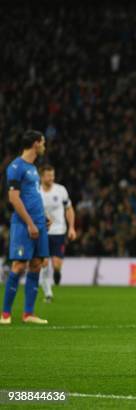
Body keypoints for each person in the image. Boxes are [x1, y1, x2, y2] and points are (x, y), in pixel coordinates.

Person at [1, 130, 49, 325]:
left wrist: (43, 217)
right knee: (19, 265)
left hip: (39, 223)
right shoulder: (16, 166)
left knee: (37, 264)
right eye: (43, 142)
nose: (45, 145)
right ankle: (5, 314)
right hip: (23, 225)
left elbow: (33, 195)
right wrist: (30, 223)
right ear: (36, 143)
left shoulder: (33, 168)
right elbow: (14, 198)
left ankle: (28, 314)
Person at [39, 164, 77, 302]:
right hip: (42, 232)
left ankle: (57, 272)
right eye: (48, 176)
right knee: (43, 263)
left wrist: (72, 227)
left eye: (53, 175)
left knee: (56, 264)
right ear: (41, 177)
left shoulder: (61, 190)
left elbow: (69, 209)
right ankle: (48, 294)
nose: (51, 178)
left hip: (59, 231)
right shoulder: (36, 191)